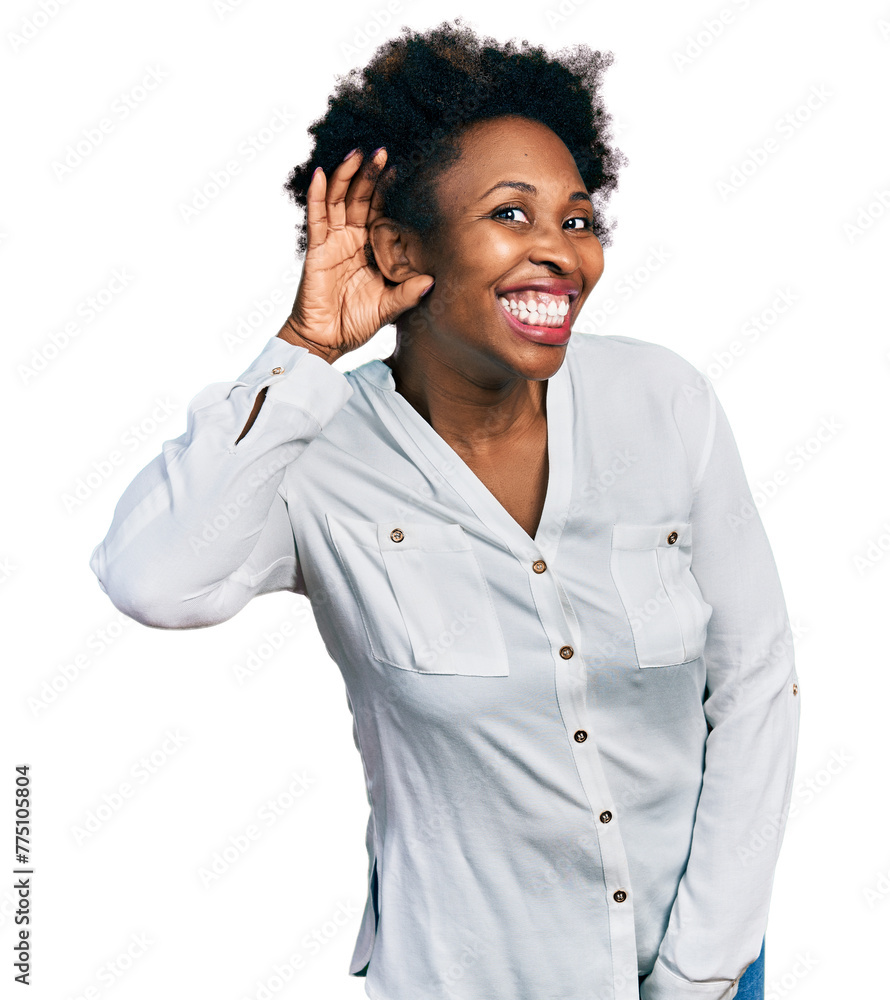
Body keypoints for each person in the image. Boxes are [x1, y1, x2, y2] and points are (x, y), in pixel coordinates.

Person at [90, 20, 799, 1000]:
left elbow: (755, 686)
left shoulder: (663, 403)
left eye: (578, 219)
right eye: (512, 216)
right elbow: (152, 580)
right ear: (396, 245)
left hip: (703, 974)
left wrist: (698, 973)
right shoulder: (315, 454)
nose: (561, 253)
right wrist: (302, 348)